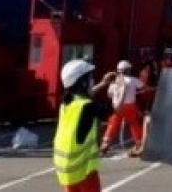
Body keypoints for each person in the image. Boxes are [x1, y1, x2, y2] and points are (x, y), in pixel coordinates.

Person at [54, 59, 115, 192]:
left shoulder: (67, 102)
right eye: (89, 78)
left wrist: (103, 84)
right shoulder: (86, 107)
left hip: (66, 169)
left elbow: (85, 96)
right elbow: (112, 109)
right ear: (82, 82)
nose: (92, 80)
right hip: (83, 169)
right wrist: (120, 88)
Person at [101, 61, 145, 157]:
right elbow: (142, 87)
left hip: (117, 107)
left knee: (113, 124)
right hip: (130, 106)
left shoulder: (115, 81)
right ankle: (139, 142)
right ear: (128, 70)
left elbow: (109, 95)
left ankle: (105, 143)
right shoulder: (133, 80)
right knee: (133, 124)